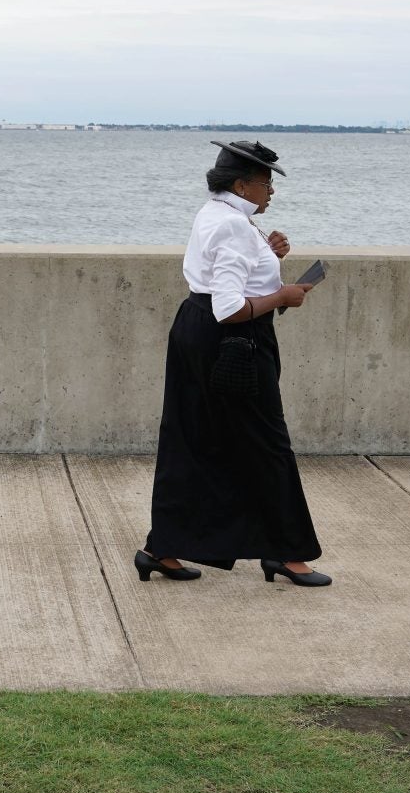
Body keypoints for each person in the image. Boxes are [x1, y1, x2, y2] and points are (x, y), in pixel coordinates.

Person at [137, 140, 330, 587]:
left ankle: (160, 548)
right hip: (234, 343)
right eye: (266, 183)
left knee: (190, 440)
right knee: (268, 443)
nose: (271, 192)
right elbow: (229, 306)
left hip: (194, 330)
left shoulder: (216, 215)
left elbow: (218, 281)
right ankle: (289, 553)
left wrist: (268, 258)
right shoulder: (236, 228)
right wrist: (283, 295)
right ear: (242, 184)